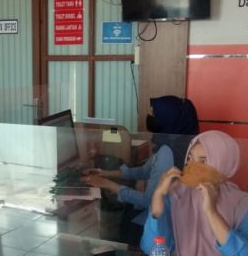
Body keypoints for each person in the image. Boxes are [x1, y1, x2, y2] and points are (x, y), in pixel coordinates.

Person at [82, 96, 199, 243]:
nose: (151, 118)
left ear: (168, 119)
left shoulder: (168, 152)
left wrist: (108, 185)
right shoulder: (174, 144)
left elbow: (148, 201)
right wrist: (106, 173)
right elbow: (145, 171)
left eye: (155, 115)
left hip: (158, 223)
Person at [141, 130, 248, 256]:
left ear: (223, 162)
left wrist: (212, 213)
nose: (192, 166)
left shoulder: (246, 205)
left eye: (203, 161)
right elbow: (151, 249)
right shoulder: (174, 194)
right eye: (190, 159)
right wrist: (158, 196)